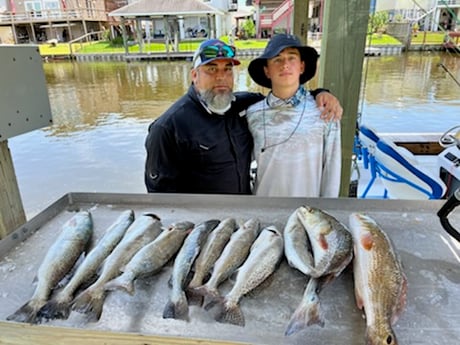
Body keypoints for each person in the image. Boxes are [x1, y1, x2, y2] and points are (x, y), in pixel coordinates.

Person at [144, 39, 342, 194]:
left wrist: (320, 94)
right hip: (203, 226)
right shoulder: (168, 127)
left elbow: (283, 98)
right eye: (211, 69)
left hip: (245, 219)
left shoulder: (245, 105)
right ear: (194, 75)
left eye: (227, 69)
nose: (221, 77)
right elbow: (160, 193)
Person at [246, 34, 342, 197]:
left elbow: (332, 169)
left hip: (308, 211)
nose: (285, 65)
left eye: (292, 58)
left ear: (302, 66)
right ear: (267, 70)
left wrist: (328, 209)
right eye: (277, 59)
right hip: (264, 207)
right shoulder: (252, 114)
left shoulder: (325, 111)